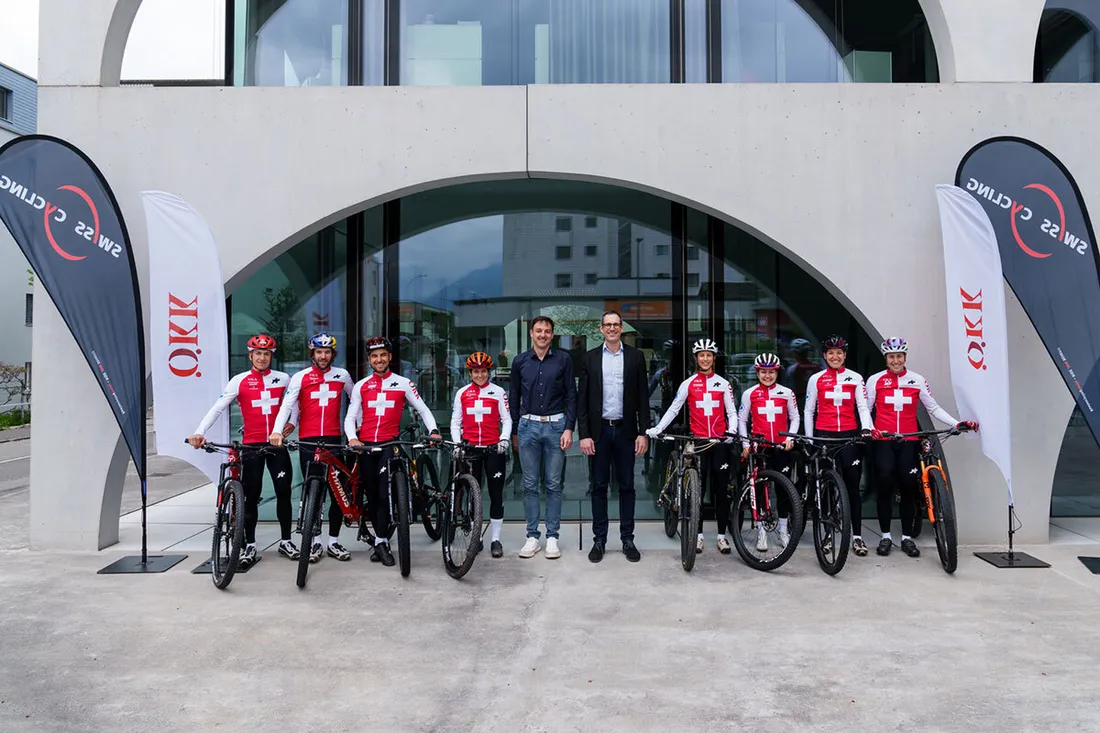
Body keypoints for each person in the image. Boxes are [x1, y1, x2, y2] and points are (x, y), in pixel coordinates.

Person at [189, 334, 298, 568]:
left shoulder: (283, 379)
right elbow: (218, 408)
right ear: (250, 356)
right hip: (251, 445)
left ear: (272, 356)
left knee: (283, 492)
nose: (262, 358)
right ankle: (250, 543)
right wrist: (199, 431)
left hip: (276, 445)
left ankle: (287, 541)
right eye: (258, 353)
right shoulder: (239, 380)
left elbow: (294, 402)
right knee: (250, 497)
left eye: (266, 354)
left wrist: (294, 421)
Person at [866, 337, 978, 558]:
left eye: (899, 356)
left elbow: (933, 408)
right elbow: (866, 409)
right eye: (891, 357)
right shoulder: (875, 380)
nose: (895, 361)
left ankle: (907, 537)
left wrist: (956, 423)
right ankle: (886, 536)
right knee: (885, 484)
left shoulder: (916, 380)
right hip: (884, 441)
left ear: (905, 358)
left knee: (908, 487)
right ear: (886, 359)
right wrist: (870, 429)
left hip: (909, 440)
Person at [345, 336, 441, 566]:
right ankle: (380, 537)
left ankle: (381, 542)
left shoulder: (404, 383)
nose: (379, 360)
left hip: (390, 444)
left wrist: (434, 430)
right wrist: (352, 438)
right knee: (371, 496)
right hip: (366, 447)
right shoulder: (361, 386)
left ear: (390, 357)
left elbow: (423, 409)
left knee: (382, 494)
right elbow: (350, 417)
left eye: (383, 355)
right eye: (374, 356)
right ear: (369, 360)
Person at [647, 338, 738, 554]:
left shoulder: (723, 384)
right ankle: (697, 536)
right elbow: (674, 409)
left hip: (719, 441)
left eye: (709, 355)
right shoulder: (688, 383)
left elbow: (732, 412)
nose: (705, 359)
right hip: (698, 443)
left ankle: (721, 536)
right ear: (696, 358)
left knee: (721, 490)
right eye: (701, 355)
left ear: (714, 358)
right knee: (698, 491)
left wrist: (732, 431)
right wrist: (659, 428)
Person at [270, 333, 354, 563]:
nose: (323, 356)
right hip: (309, 439)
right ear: (312, 354)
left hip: (333, 439)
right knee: (312, 492)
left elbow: (357, 401)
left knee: (337, 493)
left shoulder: (342, 375)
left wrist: (356, 432)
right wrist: (277, 430)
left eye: (327, 352)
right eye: (319, 352)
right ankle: (315, 542)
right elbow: (287, 405)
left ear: (332, 354)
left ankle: (333, 541)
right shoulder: (300, 377)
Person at [577, 310, 650, 564]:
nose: (611, 329)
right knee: (598, 487)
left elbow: (642, 396)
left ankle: (627, 538)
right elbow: (582, 400)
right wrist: (584, 435)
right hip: (599, 433)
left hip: (626, 432)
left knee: (627, 486)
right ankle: (599, 539)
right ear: (601, 329)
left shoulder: (635, 357)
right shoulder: (589, 358)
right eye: (607, 325)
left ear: (621, 328)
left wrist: (643, 432)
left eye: (615, 325)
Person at [509, 315, 577, 560]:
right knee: (529, 485)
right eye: (538, 331)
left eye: (547, 331)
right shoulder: (520, 362)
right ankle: (531, 536)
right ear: (531, 333)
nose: (543, 335)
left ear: (552, 334)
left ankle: (552, 537)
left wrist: (569, 428)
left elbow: (571, 395)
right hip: (528, 426)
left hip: (555, 426)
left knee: (553, 484)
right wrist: (515, 431)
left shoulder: (563, 360)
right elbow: (513, 396)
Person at [803, 334, 874, 556]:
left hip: (850, 436)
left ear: (845, 356)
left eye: (839, 353)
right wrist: (809, 438)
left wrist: (866, 428)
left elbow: (863, 406)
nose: (835, 356)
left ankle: (857, 537)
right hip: (824, 436)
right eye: (831, 353)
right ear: (825, 355)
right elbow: (809, 410)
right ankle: (827, 535)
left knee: (852, 487)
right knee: (827, 489)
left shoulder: (855, 378)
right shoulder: (816, 379)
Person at [449, 351, 512, 558]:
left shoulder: (498, 392)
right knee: (473, 496)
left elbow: (507, 419)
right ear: (470, 373)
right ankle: (478, 539)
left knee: (495, 494)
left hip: (493, 449)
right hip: (470, 449)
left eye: (483, 371)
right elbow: (455, 422)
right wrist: (458, 443)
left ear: (489, 371)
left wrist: (504, 439)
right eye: (476, 372)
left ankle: (495, 539)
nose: (480, 375)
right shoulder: (462, 393)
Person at [737, 352, 799, 552]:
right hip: (760, 447)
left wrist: (791, 437)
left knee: (783, 490)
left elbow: (795, 417)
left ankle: (783, 530)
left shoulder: (787, 393)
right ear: (757, 373)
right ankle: (762, 532)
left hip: (781, 446)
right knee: (760, 491)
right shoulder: (750, 393)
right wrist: (746, 443)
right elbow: (742, 420)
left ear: (777, 372)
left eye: (771, 372)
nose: (767, 376)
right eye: (763, 372)